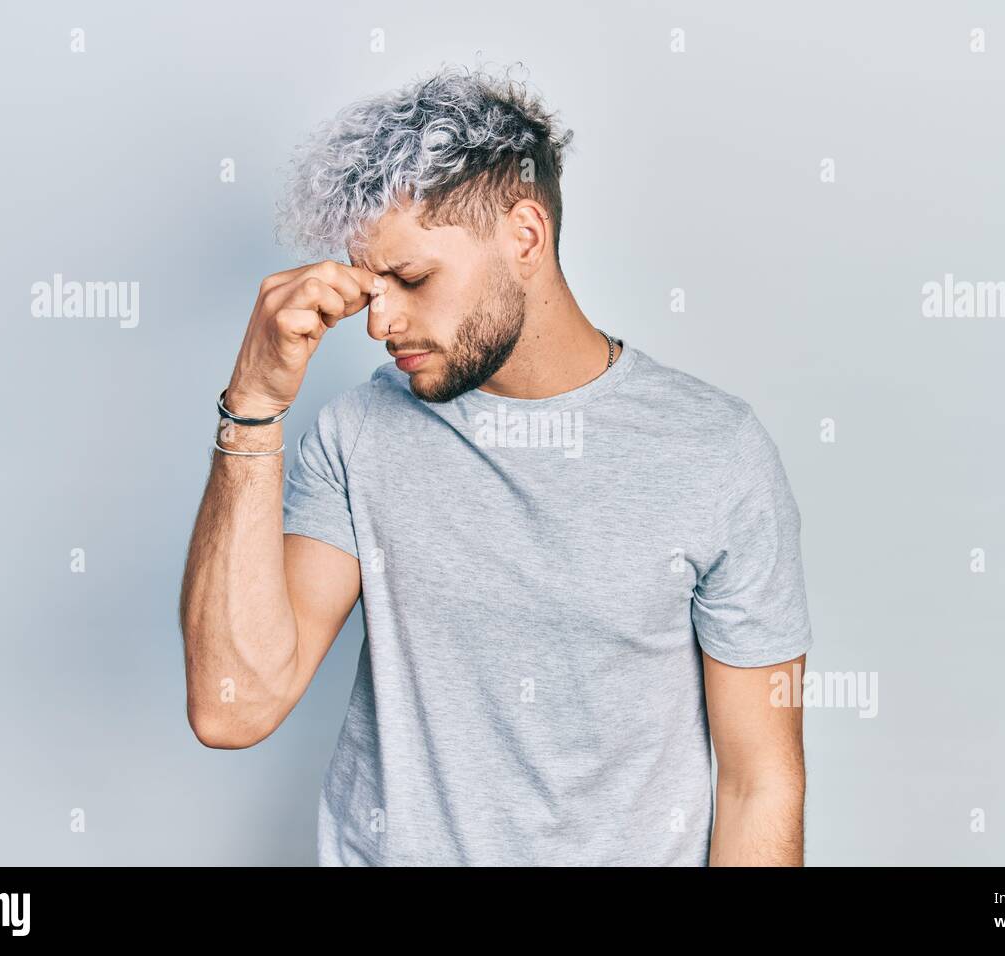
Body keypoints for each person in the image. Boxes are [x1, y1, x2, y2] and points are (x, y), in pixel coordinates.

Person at [179, 64, 815, 866]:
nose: (381, 322)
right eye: (372, 287)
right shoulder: (357, 435)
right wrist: (254, 406)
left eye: (410, 279)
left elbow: (761, 781)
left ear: (524, 236)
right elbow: (233, 710)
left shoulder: (715, 453)